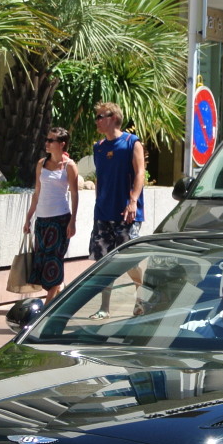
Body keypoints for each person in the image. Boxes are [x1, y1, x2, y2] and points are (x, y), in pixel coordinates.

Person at [89, 102, 145, 319]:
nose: (96, 121)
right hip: (103, 213)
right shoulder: (99, 147)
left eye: (100, 116)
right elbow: (100, 179)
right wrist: (97, 207)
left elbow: (140, 174)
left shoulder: (132, 142)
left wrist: (133, 201)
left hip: (127, 213)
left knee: (128, 260)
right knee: (105, 261)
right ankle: (104, 308)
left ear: (112, 117)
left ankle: (141, 298)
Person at [21, 126, 79, 301]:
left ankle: (47, 307)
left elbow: (75, 195)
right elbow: (37, 193)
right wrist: (28, 218)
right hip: (42, 220)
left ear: (62, 144)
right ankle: (58, 293)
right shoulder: (41, 164)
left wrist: (73, 221)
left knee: (54, 261)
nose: (47, 143)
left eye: (51, 140)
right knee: (42, 259)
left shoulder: (69, 166)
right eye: (47, 140)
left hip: (60, 219)